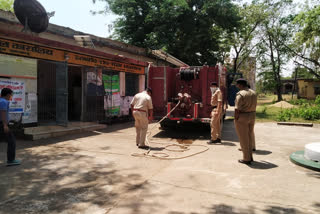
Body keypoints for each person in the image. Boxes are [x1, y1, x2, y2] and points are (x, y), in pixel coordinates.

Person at [234, 79, 257, 165]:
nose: (237, 86)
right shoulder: (253, 92)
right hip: (252, 115)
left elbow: (237, 109)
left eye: (237, 85)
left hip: (243, 116)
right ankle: (250, 156)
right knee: (249, 136)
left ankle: (246, 159)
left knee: (243, 138)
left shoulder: (241, 94)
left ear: (240, 85)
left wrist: (236, 119)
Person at [0, 88, 21, 166]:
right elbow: (3, 114)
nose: (11, 96)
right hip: (2, 124)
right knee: (12, 141)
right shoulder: (4, 102)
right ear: (8, 94)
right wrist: (5, 125)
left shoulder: (1, 101)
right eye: (11, 95)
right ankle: (11, 160)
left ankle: (11, 160)